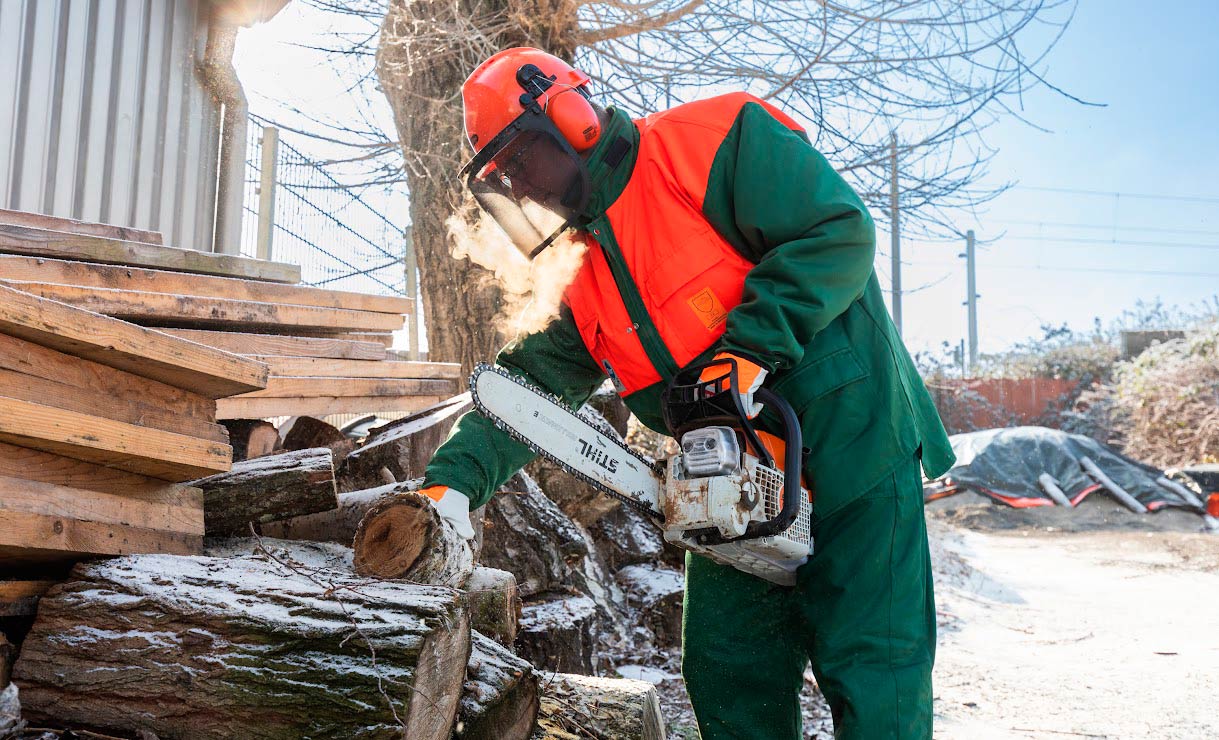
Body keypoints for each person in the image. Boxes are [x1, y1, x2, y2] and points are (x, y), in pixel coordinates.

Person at [418, 47, 956, 740]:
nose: (519, 186)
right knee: (729, 669)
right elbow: (527, 388)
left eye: (519, 160)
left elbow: (835, 229)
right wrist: (450, 485)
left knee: (872, 664)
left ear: (569, 116)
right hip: (731, 482)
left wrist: (749, 347)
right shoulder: (582, 275)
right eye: (503, 176)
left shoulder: (712, 140)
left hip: (853, 434)